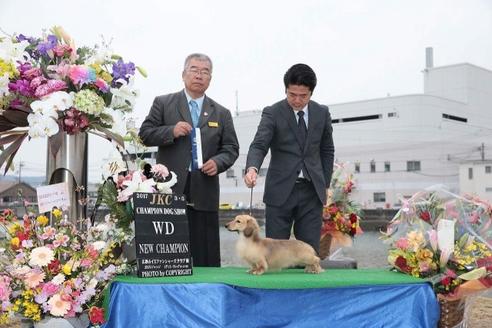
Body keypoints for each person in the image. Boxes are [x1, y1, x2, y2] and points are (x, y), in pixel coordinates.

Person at [139, 53, 239, 267]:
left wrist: (219, 162)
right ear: (183, 74)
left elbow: (231, 148)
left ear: (210, 79)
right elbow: (145, 134)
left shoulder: (221, 113)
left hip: (204, 192)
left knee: (206, 258)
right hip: (169, 191)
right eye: (194, 70)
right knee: (166, 259)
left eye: (205, 72)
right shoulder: (164, 103)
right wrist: (170, 131)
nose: (199, 75)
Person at [244, 63, 334, 253]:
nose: (297, 100)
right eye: (292, 94)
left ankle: (309, 283)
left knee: (309, 252)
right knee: (275, 252)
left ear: (311, 93)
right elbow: (260, 144)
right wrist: (252, 168)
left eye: (303, 96)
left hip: (312, 191)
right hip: (280, 190)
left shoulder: (322, 113)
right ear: (285, 89)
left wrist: (325, 184)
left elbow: (327, 150)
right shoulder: (273, 112)